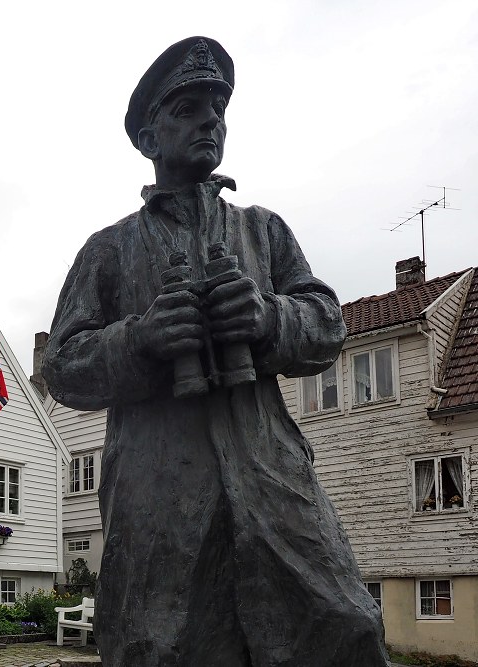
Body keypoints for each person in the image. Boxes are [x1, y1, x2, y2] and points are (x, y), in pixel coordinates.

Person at [43, 37, 388, 666]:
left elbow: (326, 325)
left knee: (342, 624)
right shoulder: (110, 249)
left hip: (270, 472)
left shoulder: (263, 230)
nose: (209, 119)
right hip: (157, 491)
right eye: (186, 108)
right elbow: (61, 366)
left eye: (217, 107)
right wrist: (140, 341)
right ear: (148, 140)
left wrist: (268, 318)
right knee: (158, 644)